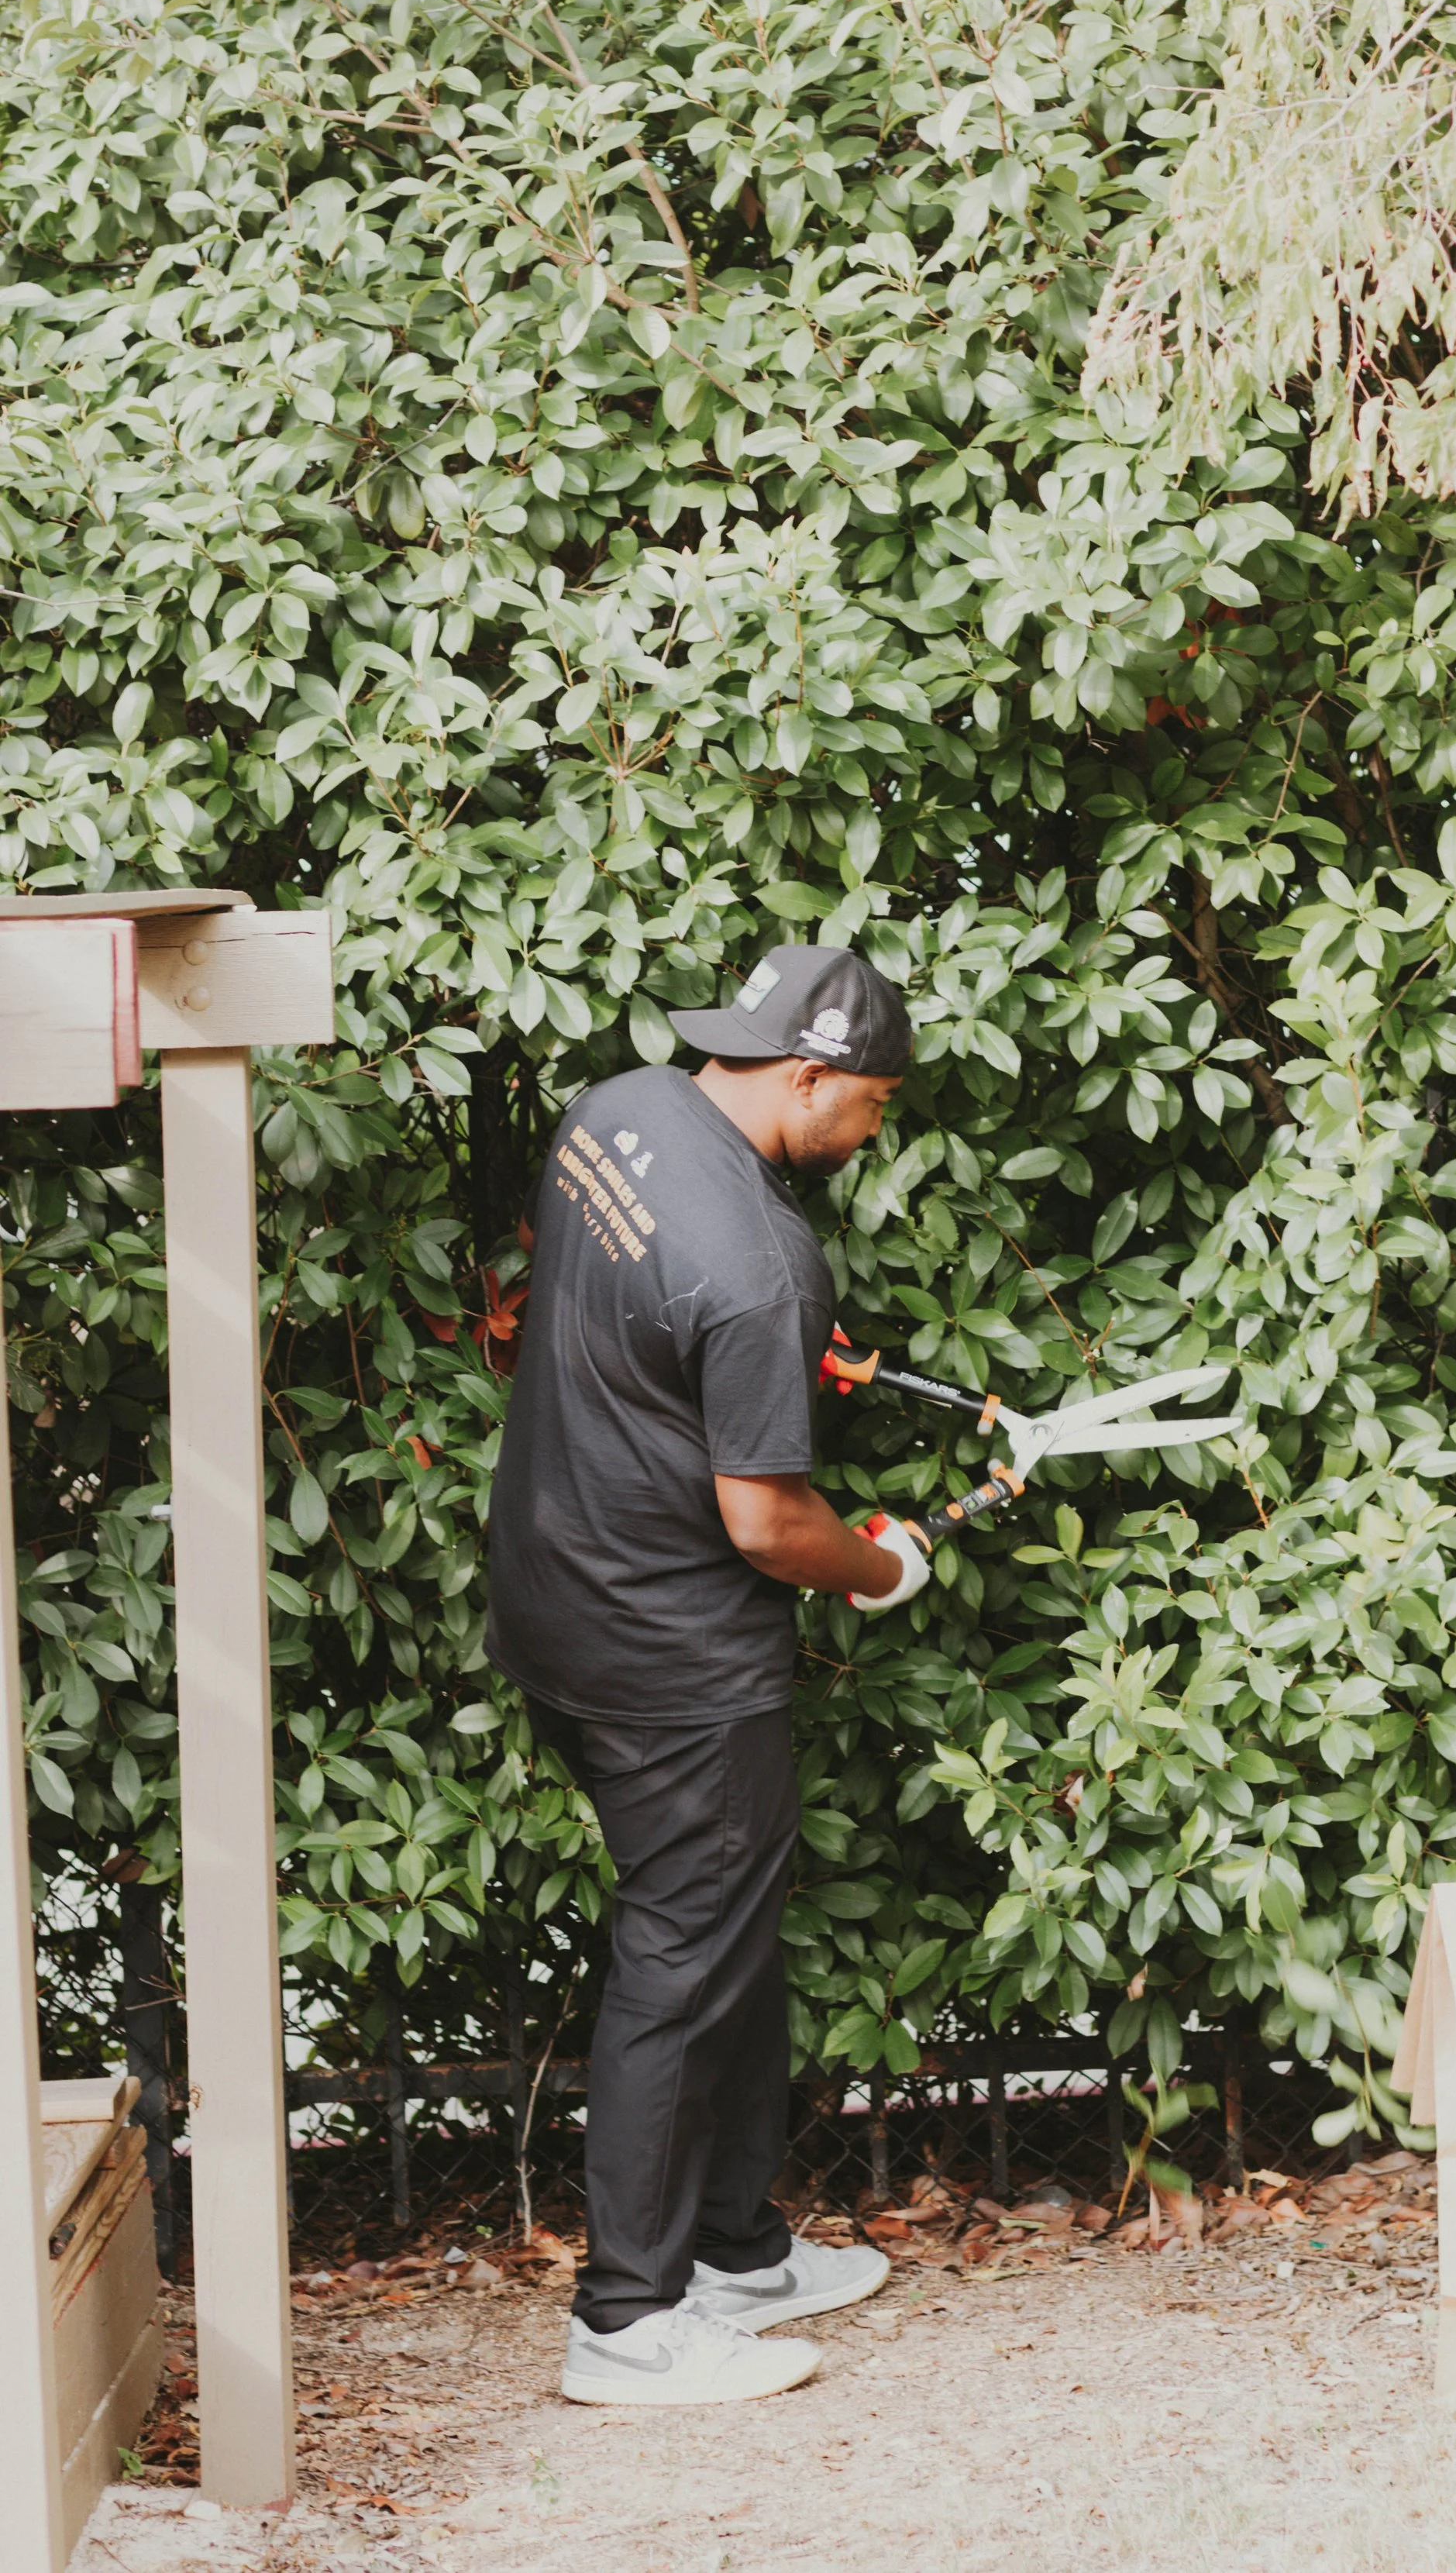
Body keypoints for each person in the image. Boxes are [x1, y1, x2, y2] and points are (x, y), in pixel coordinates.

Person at [486, 941, 932, 2406]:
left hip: (556, 1593)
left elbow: (638, 1337)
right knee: (680, 1963)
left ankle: (737, 2247)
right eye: (869, 1102)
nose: (874, 1131)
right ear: (803, 1076)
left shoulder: (614, 1110)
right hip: (672, 1652)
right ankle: (625, 2318)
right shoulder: (760, 1263)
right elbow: (765, 1519)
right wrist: (885, 1565)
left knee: (725, 1933)